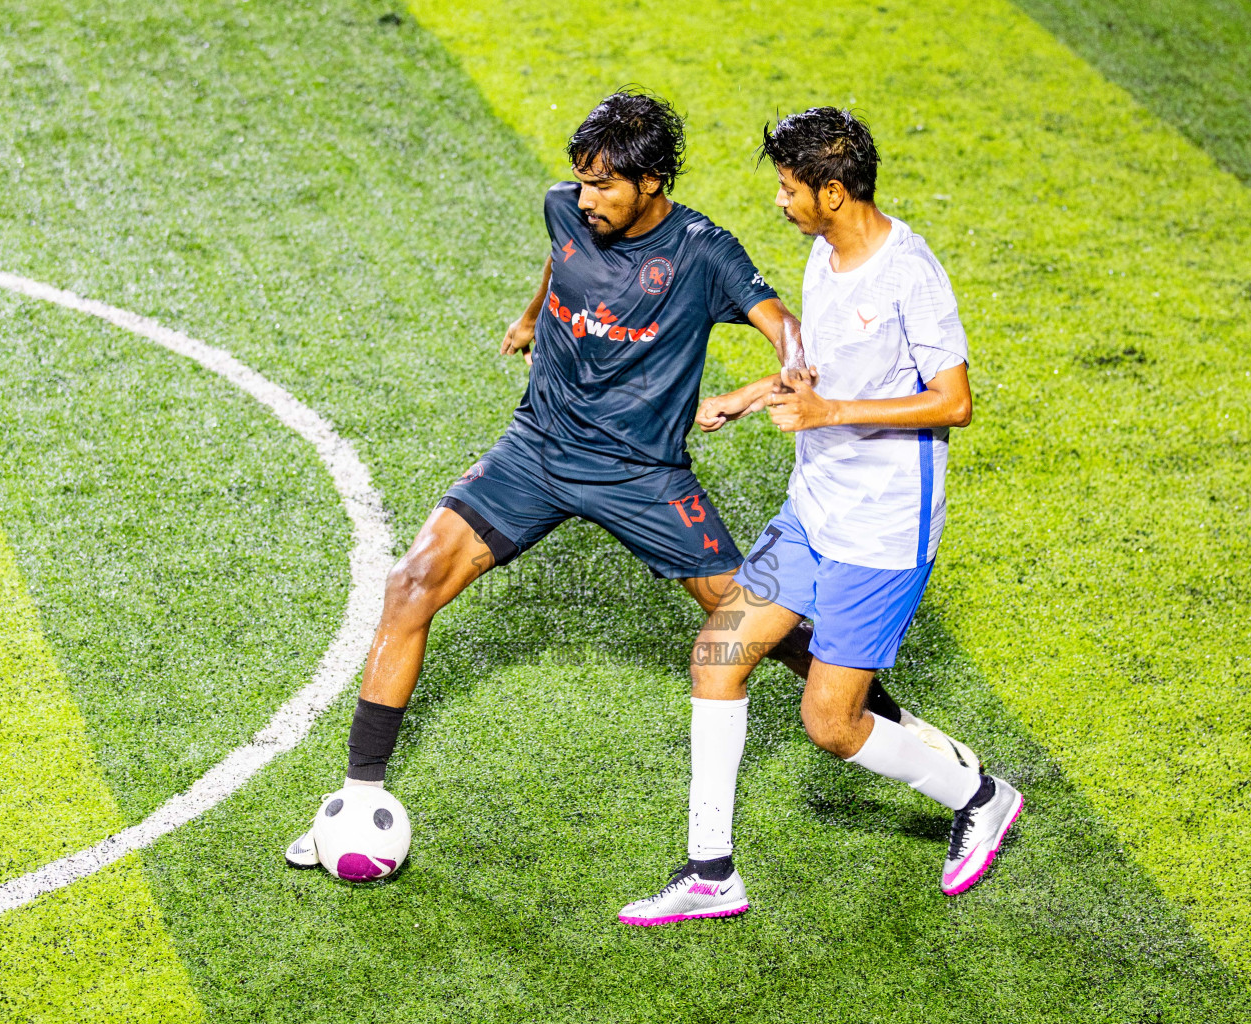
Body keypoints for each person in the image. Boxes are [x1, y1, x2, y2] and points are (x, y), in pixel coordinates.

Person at [284, 91, 972, 879]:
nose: (585, 200)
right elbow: (561, 253)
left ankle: (889, 724)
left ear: (651, 182)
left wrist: (790, 362)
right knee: (410, 584)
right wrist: (530, 314)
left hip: (643, 476)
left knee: (750, 622)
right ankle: (356, 800)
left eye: (604, 186)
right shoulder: (567, 210)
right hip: (537, 449)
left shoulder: (704, 251)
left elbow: (778, 319)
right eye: (580, 182)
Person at [619, 107, 1022, 926]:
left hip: (882, 532)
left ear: (833, 191)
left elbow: (955, 401)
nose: (780, 202)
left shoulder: (909, 272)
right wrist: (750, 395)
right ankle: (710, 873)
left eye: (789, 188)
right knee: (718, 655)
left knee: (831, 724)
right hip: (812, 513)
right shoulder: (823, 254)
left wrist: (827, 410)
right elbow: (816, 372)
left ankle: (981, 796)